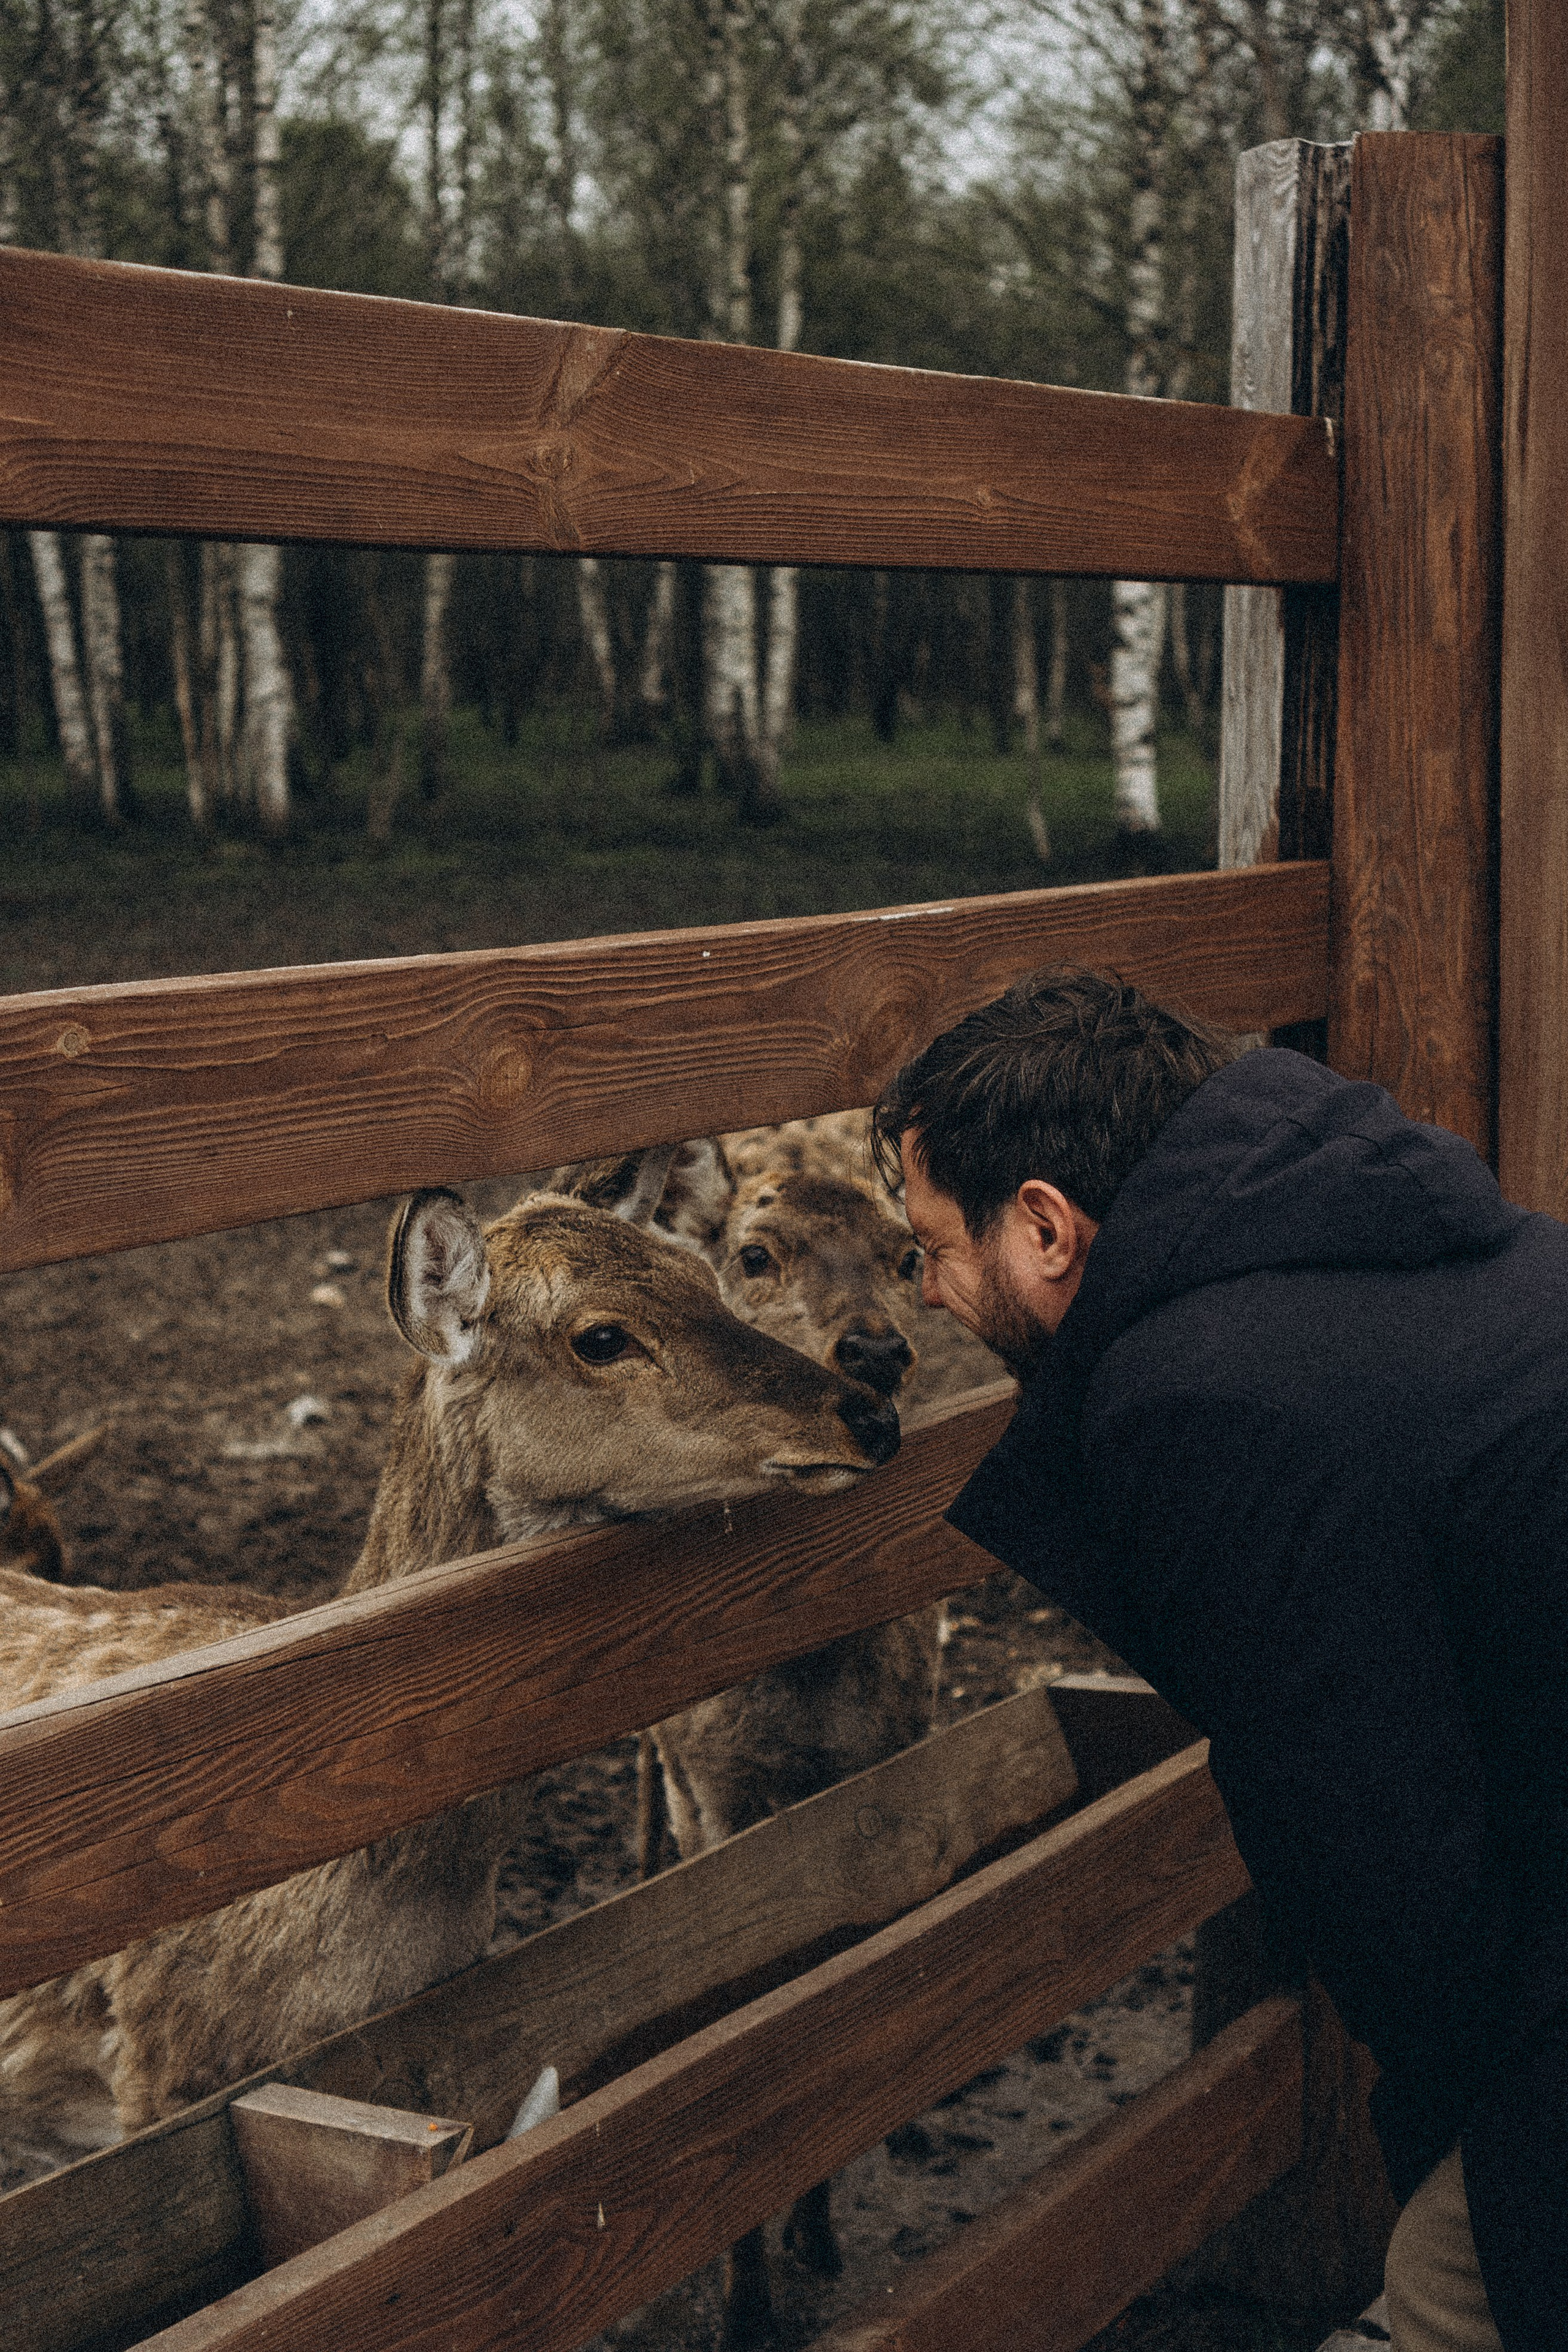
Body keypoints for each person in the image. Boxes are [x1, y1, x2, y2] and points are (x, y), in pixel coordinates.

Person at [870, 966, 1568, 2352]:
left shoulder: (1203, 1404)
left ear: (1048, 1229)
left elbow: (1371, 1841)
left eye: (929, 1248)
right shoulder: (1432, 1238)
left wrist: (1473, 2135)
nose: (927, 1295)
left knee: (1456, 2295)